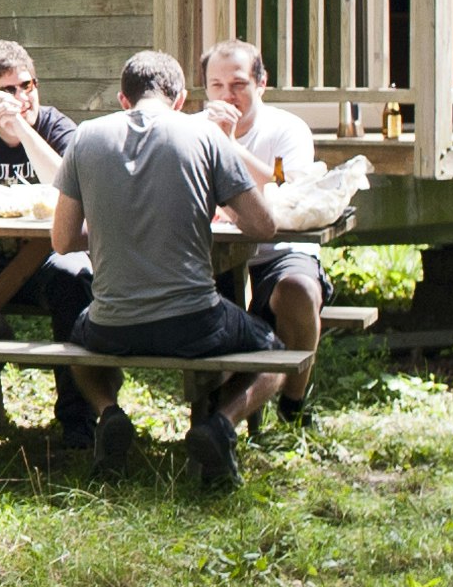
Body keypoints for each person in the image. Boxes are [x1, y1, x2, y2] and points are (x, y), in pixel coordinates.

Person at [50, 49, 286, 490]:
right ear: (179, 100)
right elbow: (263, 225)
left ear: (123, 100)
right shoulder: (206, 135)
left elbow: (62, 240)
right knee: (274, 353)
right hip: (195, 320)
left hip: (111, 323)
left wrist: (109, 227)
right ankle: (220, 424)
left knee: (76, 342)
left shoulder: (85, 137)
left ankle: (109, 413)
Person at [0, 39, 94, 454]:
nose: (23, 97)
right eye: (8, 91)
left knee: (75, 277)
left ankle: (78, 421)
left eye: (28, 85)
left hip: (45, 260)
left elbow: (69, 184)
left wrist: (23, 130)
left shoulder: (56, 126)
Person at [198, 38, 328, 430]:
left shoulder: (287, 130)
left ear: (261, 83)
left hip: (279, 249)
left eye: (238, 84)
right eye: (217, 86)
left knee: (299, 291)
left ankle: (294, 405)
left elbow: (286, 186)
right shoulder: (191, 130)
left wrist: (229, 145)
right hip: (212, 253)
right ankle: (214, 415)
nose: (227, 95)